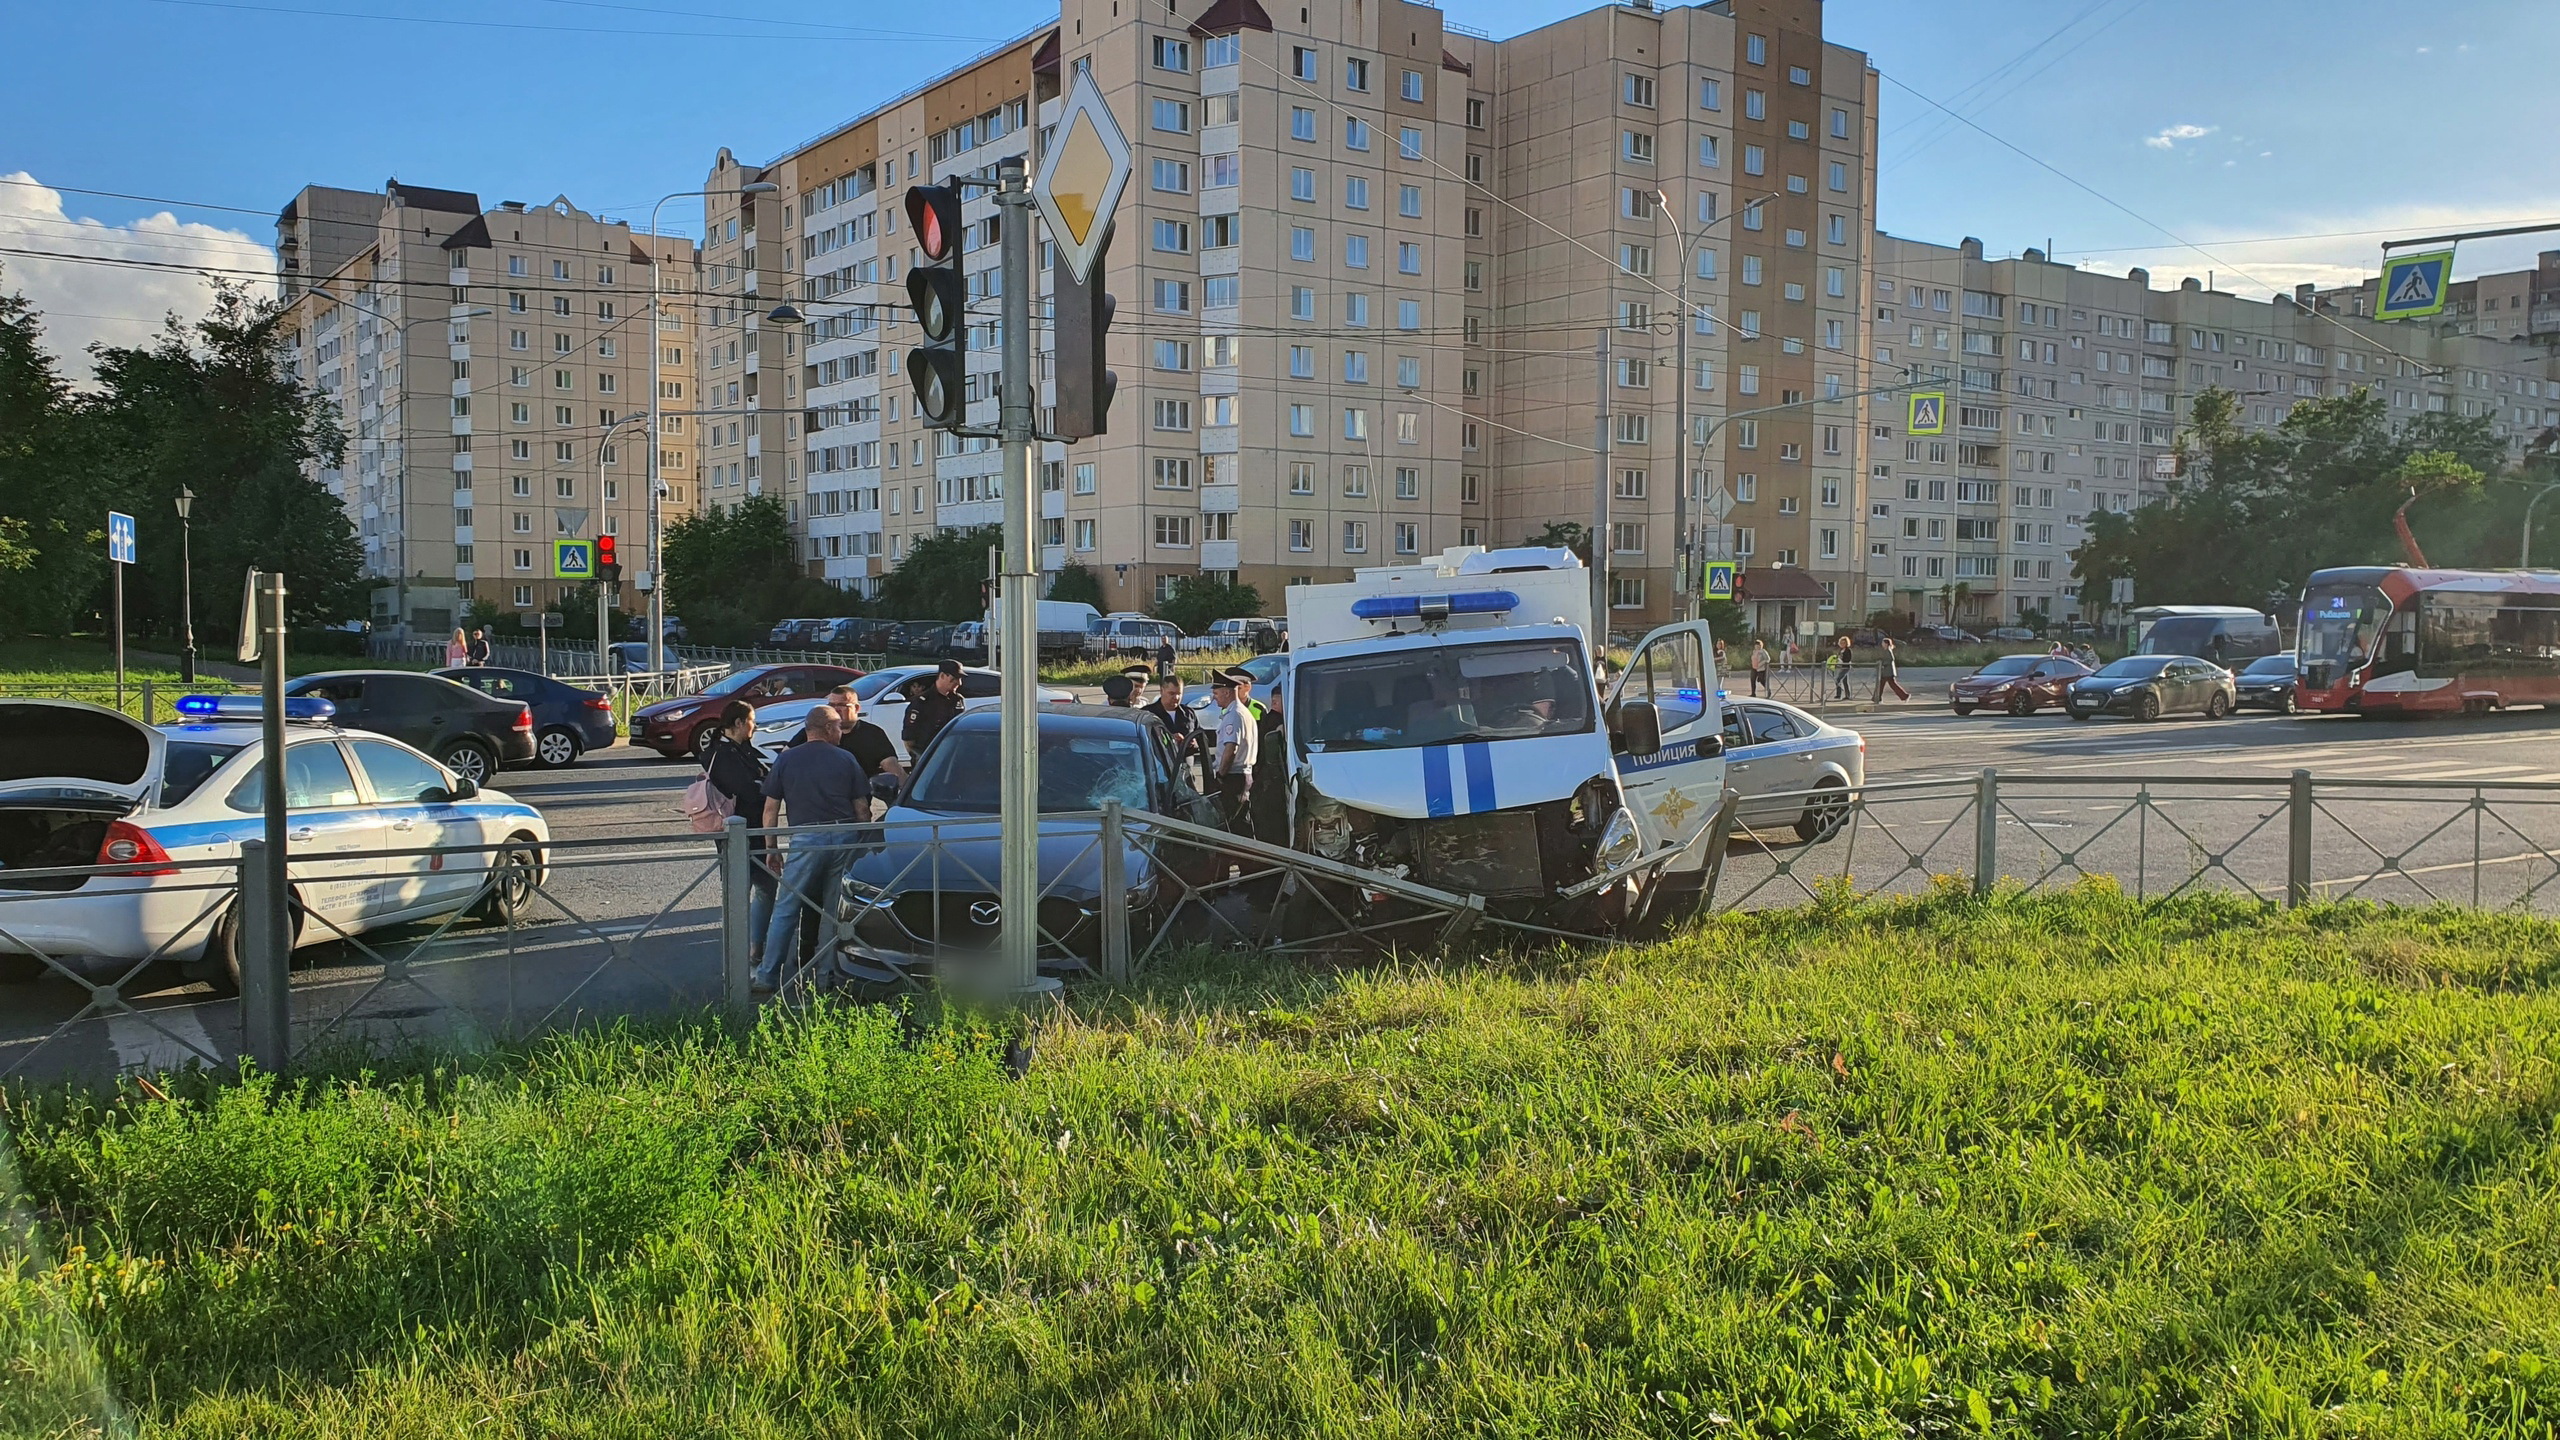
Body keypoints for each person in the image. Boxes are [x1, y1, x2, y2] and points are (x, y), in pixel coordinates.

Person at [756, 705, 866, 993]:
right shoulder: (846, 759)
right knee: (833, 911)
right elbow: (862, 809)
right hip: (844, 835)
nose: (842, 733)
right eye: (839, 727)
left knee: (786, 908)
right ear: (828, 729)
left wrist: (772, 848)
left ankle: (767, 976)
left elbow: (770, 808)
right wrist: (862, 843)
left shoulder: (787, 759)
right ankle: (824, 978)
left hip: (806, 839)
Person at [699, 701, 777, 972]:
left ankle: (754, 949)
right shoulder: (721, 753)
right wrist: (765, 785)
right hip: (737, 832)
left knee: (766, 888)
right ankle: (740, 957)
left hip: (754, 830)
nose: (755, 726)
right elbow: (748, 789)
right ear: (738, 723)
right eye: (752, 721)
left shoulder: (740, 750)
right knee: (740, 892)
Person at [1210, 669, 1257, 834]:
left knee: (1234, 826)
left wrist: (1221, 776)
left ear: (1226, 692)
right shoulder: (1240, 712)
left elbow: (1231, 749)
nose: (1214, 697)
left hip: (1233, 777)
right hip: (1240, 775)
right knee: (1239, 822)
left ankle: (1243, 858)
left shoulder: (1234, 715)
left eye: (1216, 693)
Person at [1142, 672, 1201, 786]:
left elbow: (1201, 738)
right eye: (1172, 693)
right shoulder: (1148, 713)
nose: (1176, 698)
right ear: (1162, 691)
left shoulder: (1188, 714)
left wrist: (1192, 742)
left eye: (1179, 694)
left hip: (1185, 767)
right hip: (1159, 768)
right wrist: (1169, 740)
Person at [1249, 679, 1288, 848]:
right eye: (1274, 700)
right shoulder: (1276, 721)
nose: (1274, 703)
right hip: (1270, 778)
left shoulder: (1270, 717)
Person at [902, 659, 966, 758]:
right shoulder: (921, 702)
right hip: (929, 757)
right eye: (954, 678)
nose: (959, 683)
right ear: (942, 676)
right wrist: (922, 760)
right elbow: (909, 740)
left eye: (960, 679)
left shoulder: (957, 700)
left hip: (952, 756)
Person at [1872, 635, 1910, 702]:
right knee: (1882, 685)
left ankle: (1905, 696)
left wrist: (1883, 663)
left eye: (1883, 643)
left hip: (1888, 672)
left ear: (1886, 644)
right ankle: (1877, 698)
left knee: (1888, 685)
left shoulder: (1888, 650)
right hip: (1887, 672)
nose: (1882, 644)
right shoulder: (1887, 650)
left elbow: (1891, 659)